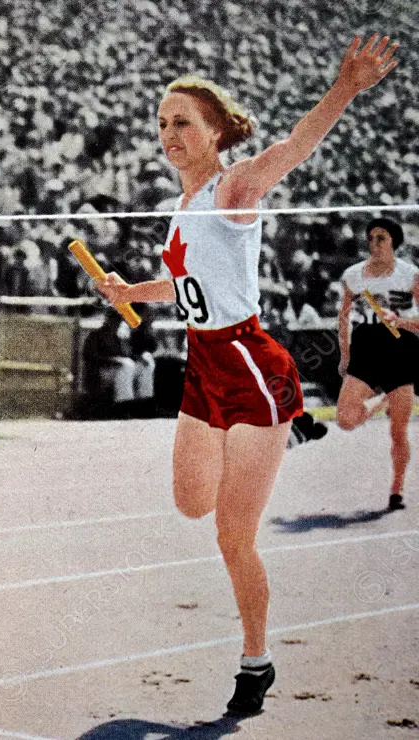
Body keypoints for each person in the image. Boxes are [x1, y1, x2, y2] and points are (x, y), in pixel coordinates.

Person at [96, 35, 398, 715]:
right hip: (204, 363)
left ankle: (255, 659)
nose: (169, 134)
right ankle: (282, 435)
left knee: (232, 537)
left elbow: (293, 147)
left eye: (183, 123)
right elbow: (185, 287)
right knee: (189, 502)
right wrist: (130, 291)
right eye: (162, 123)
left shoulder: (233, 188)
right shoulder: (181, 208)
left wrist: (347, 85)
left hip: (252, 365)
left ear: (215, 133)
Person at [335, 217, 418, 512]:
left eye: (381, 238)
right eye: (371, 238)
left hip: (401, 348)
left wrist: (402, 320)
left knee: (398, 431)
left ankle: (396, 491)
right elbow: (343, 318)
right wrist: (345, 356)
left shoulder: (410, 275)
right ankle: (381, 401)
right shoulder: (354, 276)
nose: (374, 244)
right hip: (367, 347)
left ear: (394, 242)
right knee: (345, 419)